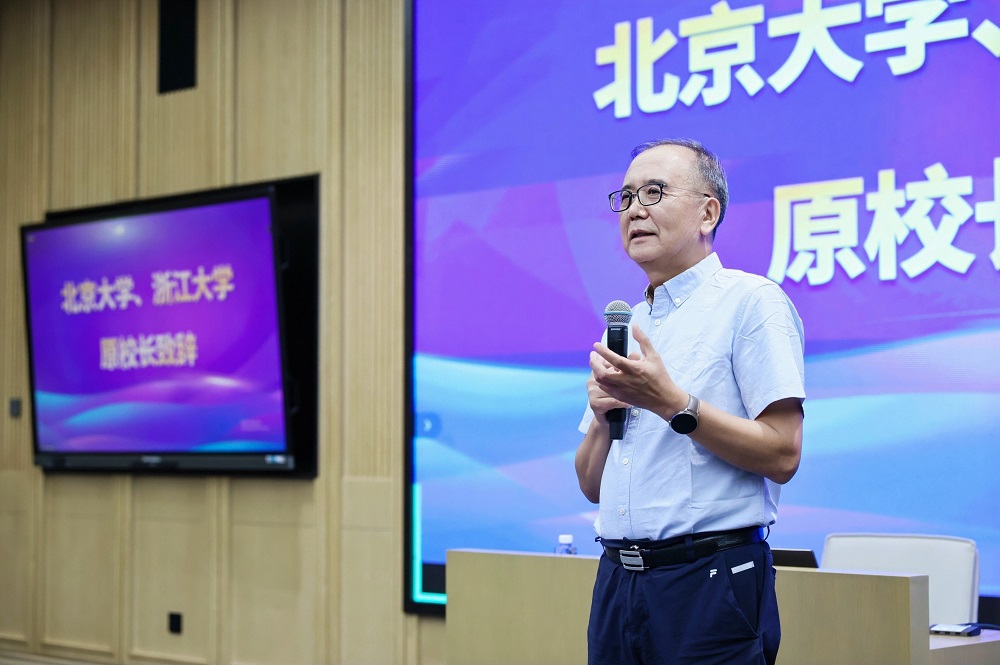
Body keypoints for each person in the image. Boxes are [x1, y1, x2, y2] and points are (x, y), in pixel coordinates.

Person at [575, 138, 806, 665]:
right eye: (626, 197)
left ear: (708, 212)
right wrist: (602, 420)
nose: (635, 210)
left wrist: (672, 403)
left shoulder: (751, 302)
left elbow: (783, 454)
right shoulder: (625, 326)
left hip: (709, 580)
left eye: (654, 192)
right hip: (617, 581)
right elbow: (590, 484)